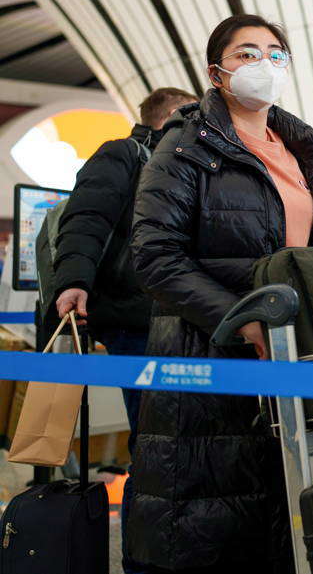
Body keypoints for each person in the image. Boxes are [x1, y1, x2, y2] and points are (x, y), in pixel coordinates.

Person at [127, 14, 313, 573]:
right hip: (210, 356)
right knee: (211, 523)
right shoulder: (185, 145)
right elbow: (155, 256)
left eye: (275, 52)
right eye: (247, 53)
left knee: (282, 514)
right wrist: (241, 320)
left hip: (291, 355)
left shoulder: (299, 154)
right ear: (217, 72)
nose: (264, 64)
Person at [52, 86, 195, 574]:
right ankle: (141, 561)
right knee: (155, 449)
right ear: (169, 117)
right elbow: (85, 219)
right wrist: (74, 281)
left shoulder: (187, 167)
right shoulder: (123, 155)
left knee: (175, 446)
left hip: (180, 322)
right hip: (139, 323)